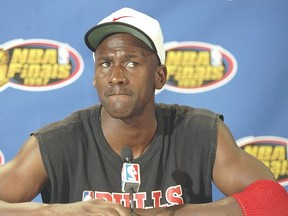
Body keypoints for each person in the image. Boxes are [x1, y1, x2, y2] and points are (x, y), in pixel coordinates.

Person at [0, 7, 287, 216]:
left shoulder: (199, 132)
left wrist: (178, 214)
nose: (115, 76)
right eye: (104, 64)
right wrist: (61, 212)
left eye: (131, 63)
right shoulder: (58, 142)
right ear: (94, 77)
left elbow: (274, 201)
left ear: (159, 76)